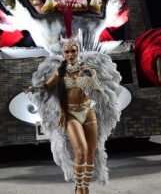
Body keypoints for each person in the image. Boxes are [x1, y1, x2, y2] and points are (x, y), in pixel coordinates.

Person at [26, 35, 128, 194]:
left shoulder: (88, 69)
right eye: (67, 51)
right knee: (80, 150)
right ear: (63, 53)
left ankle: (84, 187)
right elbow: (46, 86)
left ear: (78, 51)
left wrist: (92, 77)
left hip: (88, 112)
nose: (70, 54)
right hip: (71, 114)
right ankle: (78, 186)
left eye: (73, 51)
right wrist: (34, 89)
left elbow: (98, 89)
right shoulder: (59, 72)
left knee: (91, 152)